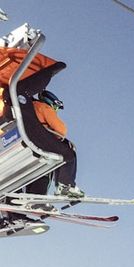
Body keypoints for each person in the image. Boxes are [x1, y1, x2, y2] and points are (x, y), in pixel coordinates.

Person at [0, 35, 80, 196]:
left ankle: (11, 212)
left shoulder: (8, 104)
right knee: (67, 153)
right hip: (29, 137)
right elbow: (61, 130)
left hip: (7, 142)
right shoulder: (41, 107)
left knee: (23, 171)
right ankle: (65, 185)